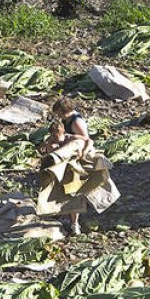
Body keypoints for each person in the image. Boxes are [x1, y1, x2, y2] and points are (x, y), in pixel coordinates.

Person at [51, 97, 93, 236]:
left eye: (59, 113)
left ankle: (75, 223)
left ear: (65, 111)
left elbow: (86, 138)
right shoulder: (65, 120)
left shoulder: (76, 121)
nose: (58, 116)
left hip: (75, 160)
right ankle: (62, 214)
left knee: (73, 190)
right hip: (65, 158)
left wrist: (71, 137)